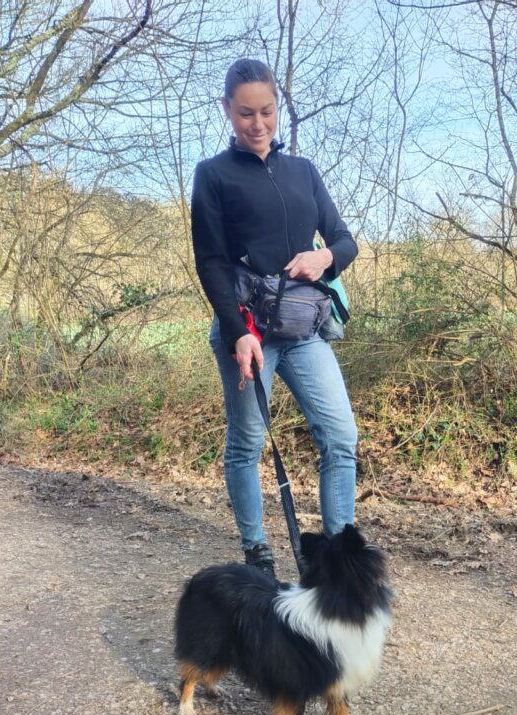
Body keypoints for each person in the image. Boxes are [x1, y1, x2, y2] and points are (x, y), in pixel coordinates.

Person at [190, 58, 359, 578]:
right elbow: (212, 262)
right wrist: (238, 333)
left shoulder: (302, 171)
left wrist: (323, 258)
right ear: (227, 111)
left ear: (276, 109)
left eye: (265, 111)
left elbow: (345, 240)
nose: (257, 123)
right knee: (247, 443)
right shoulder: (213, 175)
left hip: (306, 331)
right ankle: (257, 552)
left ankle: (336, 557)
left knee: (340, 437)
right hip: (251, 333)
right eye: (245, 113)